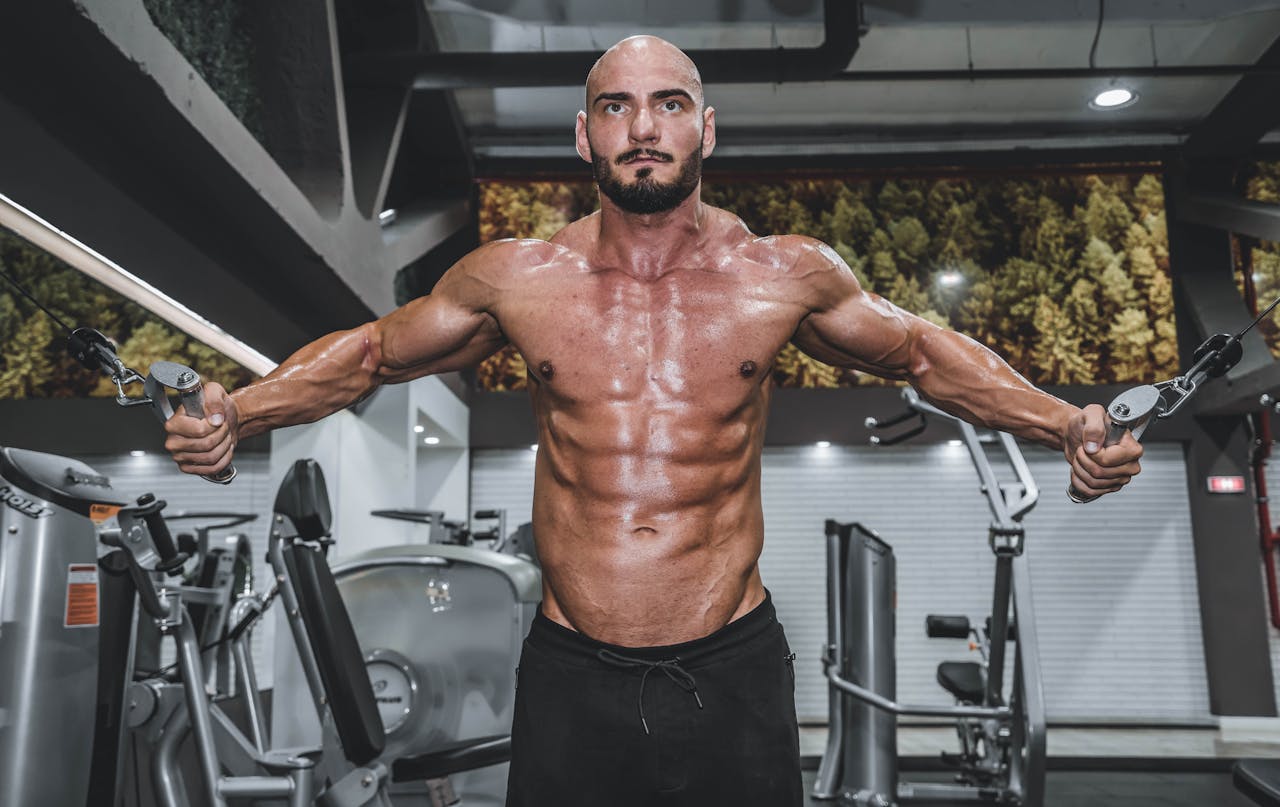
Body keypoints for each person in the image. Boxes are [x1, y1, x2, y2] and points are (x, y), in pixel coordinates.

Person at [164, 35, 1143, 807]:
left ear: (704, 131)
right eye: (615, 105)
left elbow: (925, 353)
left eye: (668, 103)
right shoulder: (514, 278)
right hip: (570, 671)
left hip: (733, 665)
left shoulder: (783, 275)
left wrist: (1064, 425)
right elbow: (371, 351)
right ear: (582, 136)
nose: (642, 125)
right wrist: (238, 414)